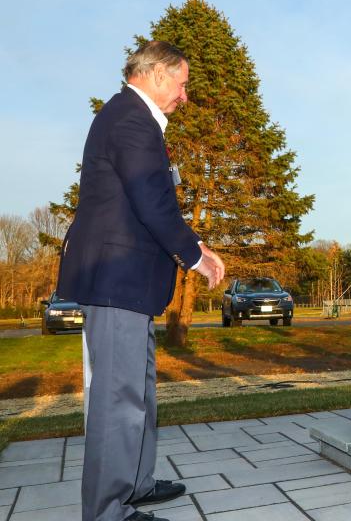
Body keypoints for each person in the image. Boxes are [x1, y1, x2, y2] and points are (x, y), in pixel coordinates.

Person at [56, 41, 225, 521]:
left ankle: (136, 485)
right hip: (116, 280)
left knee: (140, 391)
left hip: (129, 284)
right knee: (118, 398)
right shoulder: (132, 119)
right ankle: (109, 510)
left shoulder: (132, 117)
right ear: (155, 74)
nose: (185, 95)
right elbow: (152, 200)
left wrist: (197, 245)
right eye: (182, 82)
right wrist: (195, 256)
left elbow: (150, 201)